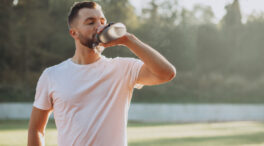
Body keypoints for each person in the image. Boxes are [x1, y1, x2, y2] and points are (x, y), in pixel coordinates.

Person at [27, 1, 176, 146]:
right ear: (74, 33)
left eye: (102, 21)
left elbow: (166, 73)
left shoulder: (122, 68)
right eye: (91, 22)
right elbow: (36, 130)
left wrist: (129, 40)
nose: (99, 27)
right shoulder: (51, 75)